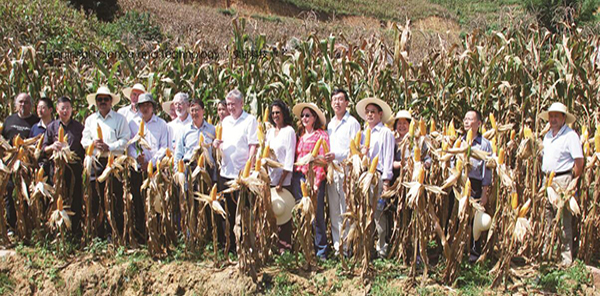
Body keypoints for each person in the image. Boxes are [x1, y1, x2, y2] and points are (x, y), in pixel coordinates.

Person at [81, 86, 131, 238]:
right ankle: (97, 233)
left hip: (113, 163)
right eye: (100, 99)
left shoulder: (119, 119)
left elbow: (125, 139)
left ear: (111, 102)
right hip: (95, 163)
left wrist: (110, 147)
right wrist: (93, 144)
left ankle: (114, 233)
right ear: (96, 102)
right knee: (95, 197)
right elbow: (84, 140)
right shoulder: (90, 120)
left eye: (106, 99)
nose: (103, 102)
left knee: (113, 197)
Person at [213, 89, 258, 253]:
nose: (230, 107)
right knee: (228, 211)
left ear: (241, 103)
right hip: (226, 172)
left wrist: (249, 165)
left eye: (233, 104)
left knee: (243, 211)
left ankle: (244, 244)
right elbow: (221, 142)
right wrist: (216, 145)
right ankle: (230, 245)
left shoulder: (250, 120)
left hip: (241, 176)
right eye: (228, 104)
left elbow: (253, 144)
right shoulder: (224, 122)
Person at [540, 102, 584, 267]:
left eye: (556, 116)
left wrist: (575, 179)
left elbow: (579, 160)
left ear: (564, 118)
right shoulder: (548, 135)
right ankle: (547, 254)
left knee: (564, 218)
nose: (552, 119)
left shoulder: (570, 135)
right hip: (548, 180)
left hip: (563, 180)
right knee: (548, 217)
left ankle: (566, 259)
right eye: (551, 116)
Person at [127, 93, 170, 240]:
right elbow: (130, 145)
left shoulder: (161, 124)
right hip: (138, 168)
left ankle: (157, 232)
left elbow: (164, 147)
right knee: (139, 201)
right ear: (138, 108)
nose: (145, 108)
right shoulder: (132, 123)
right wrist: (137, 158)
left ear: (153, 107)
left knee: (156, 201)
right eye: (142, 105)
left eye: (148, 105)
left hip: (155, 169)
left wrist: (150, 163)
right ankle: (141, 233)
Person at [356, 97, 394, 258]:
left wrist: (386, 181)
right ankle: (368, 247)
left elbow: (388, 157)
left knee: (379, 213)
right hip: (365, 177)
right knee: (365, 212)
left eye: (373, 112)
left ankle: (381, 248)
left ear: (380, 114)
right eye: (367, 112)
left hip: (378, 176)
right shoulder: (364, 133)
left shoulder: (385, 132)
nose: (370, 115)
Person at [324, 89, 360, 256]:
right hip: (332, 171)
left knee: (346, 209)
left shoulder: (353, 123)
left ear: (347, 103)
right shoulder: (330, 124)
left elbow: (355, 150)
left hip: (346, 170)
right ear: (331, 104)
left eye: (340, 99)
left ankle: (348, 246)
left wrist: (336, 155)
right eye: (334, 100)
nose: (337, 103)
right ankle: (338, 247)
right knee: (334, 210)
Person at [291, 102, 330, 260]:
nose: (304, 118)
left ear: (314, 118)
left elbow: (321, 161)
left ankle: (321, 250)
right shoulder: (300, 135)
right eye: (303, 115)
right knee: (303, 213)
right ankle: (306, 247)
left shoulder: (321, 135)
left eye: (308, 115)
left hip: (313, 177)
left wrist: (317, 181)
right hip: (299, 178)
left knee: (317, 214)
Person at [42, 97, 85, 236]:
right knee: (57, 198)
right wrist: (52, 147)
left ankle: (75, 232)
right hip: (56, 171)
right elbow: (43, 149)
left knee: (75, 199)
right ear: (57, 110)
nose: (65, 111)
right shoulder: (51, 127)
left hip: (74, 170)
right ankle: (57, 232)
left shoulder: (79, 128)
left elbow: (83, 149)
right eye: (62, 108)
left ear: (72, 110)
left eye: (67, 108)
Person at [2, 93, 39, 231]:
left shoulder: (35, 122)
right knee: (10, 193)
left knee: (27, 194)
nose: (23, 105)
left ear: (31, 105)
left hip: (28, 164)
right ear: (16, 104)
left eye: (27, 102)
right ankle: (12, 226)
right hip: (11, 164)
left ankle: (28, 226)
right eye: (21, 102)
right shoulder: (9, 120)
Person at [460, 110, 493, 262]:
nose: (466, 122)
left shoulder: (485, 145)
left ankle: (474, 253)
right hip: (460, 183)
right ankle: (459, 250)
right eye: (465, 119)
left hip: (476, 184)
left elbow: (487, 170)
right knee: (459, 217)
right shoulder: (459, 142)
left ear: (479, 124)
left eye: (470, 119)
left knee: (475, 220)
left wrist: (485, 192)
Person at [265, 100, 296, 252]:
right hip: (270, 179)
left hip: (283, 181)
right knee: (273, 213)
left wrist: (281, 181)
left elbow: (289, 158)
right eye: (273, 113)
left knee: (285, 213)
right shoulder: (270, 132)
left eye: (278, 112)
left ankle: (286, 246)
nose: (275, 115)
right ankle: (274, 245)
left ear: (284, 113)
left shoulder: (289, 131)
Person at [174, 98, 215, 168]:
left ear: (203, 111)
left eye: (197, 110)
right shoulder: (184, 130)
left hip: (207, 167)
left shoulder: (212, 129)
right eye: (192, 110)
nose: (194, 113)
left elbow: (215, 152)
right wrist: (177, 170)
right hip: (190, 166)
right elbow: (178, 152)